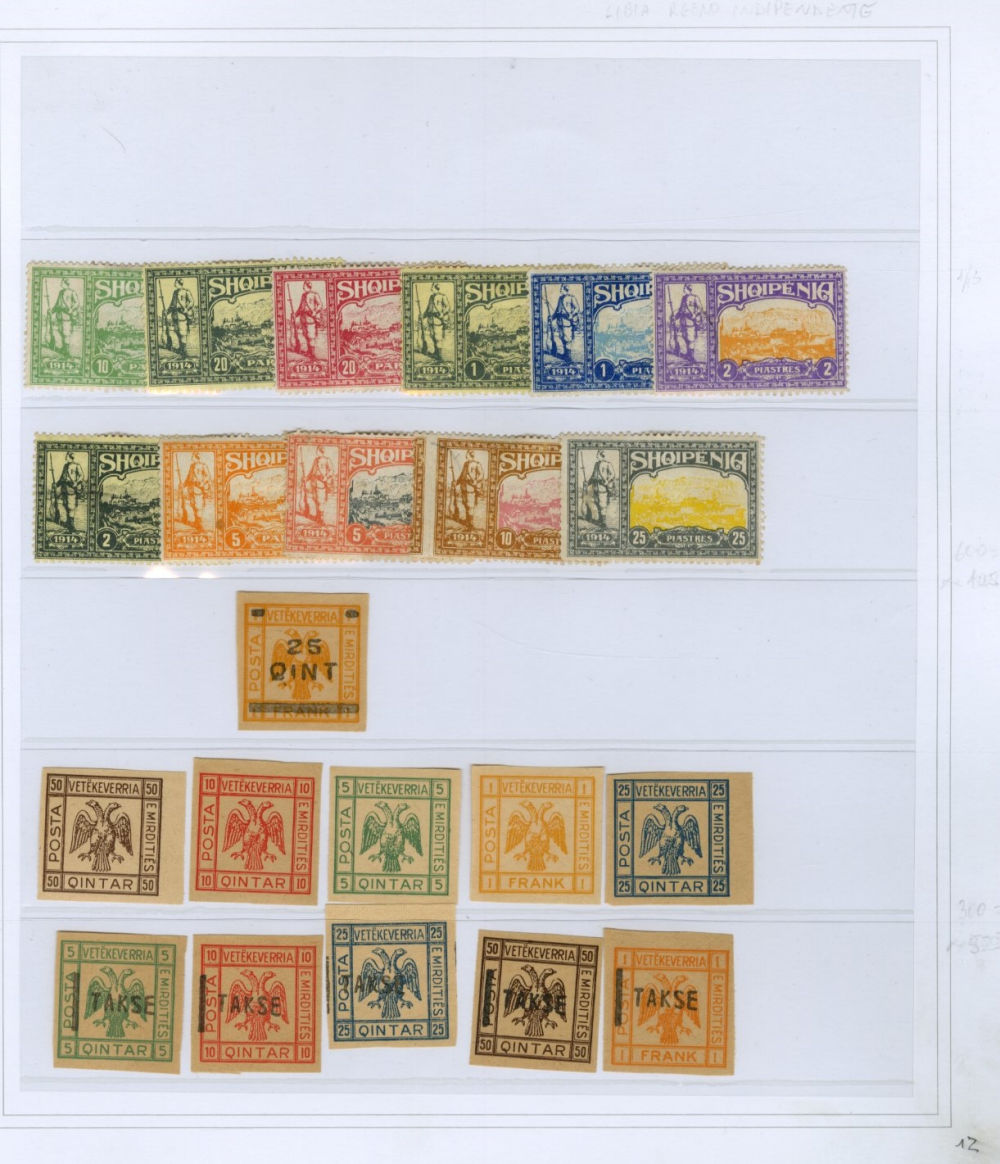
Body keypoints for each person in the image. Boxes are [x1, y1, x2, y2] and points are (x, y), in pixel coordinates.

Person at [52, 450, 85, 532]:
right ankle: (68, 522)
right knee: (65, 505)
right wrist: (57, 484)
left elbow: (81, 476)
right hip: (64, 488)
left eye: (67, 456)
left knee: (71, 506)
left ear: (71, 457)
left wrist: (76, 482)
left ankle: (72, 526)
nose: (65, 458)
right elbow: (62, 477)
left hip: (71, 488)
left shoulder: (77, 465)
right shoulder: (65, 466)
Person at [180, 451, 211, 532]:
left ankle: (200, 524)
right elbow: (188, 476)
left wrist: (202, 483)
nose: (192, 459)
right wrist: (184, 484)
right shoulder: (192, 466)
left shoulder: (203, 465)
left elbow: (208, 476)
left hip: (198, 488)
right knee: (193, 505)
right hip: (191, 488)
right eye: (192, 458)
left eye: (193, 458)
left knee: (198, 506)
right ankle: (196, 521)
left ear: (197, 458)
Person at [163, 278, 195, 358]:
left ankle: (184, 351)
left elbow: (192, 302)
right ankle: (181, 348)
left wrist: (186, 308)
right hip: (175, 316)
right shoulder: (175, 292)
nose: (174, 284)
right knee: (177, 332)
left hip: (182, 315)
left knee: (183, 333)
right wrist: (167, 311)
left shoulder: (186, 291)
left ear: (179, 283)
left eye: (176, 283)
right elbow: (172, 304)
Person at [302, 445, 335, 521]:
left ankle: (321, 518)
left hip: (321, 483)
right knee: (315, 500)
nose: (317, 453)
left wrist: (326, 477)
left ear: (321, 452)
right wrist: (306, 478)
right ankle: (318, 516)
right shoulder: (315, 460)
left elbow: (331, 471)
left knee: (321, 500)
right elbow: (312, 471)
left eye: (318, 451)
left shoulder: (327, 460)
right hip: (314, 483)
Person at [584, 449, 616, 528]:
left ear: (602, 456)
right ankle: (599, 519)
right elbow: (593, 475)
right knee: (596, 503)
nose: (596, 456)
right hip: (595, 486)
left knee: (603, 504)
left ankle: (603, 522)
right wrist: (588, 482)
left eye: (598, 455)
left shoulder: (608, 464)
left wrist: (607, 481)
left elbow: (612, 474)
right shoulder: (596, 464)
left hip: (602, 486)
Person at [672, 283, 704, 361]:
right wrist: (675, 317)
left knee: (691, 338)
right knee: (685, 337)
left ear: (688, 289)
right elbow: (681, 309)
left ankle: (691, 357)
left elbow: (700, 308)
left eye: (685, 289)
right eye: (684, 289)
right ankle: (688, 354)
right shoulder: (683, 298)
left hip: (690, 321)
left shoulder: (695, 297)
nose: (683, 290)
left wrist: (695, 315)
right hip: (683, 321)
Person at [48, 278, 80, 355]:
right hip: (59, 315)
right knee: (61, 331)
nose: (61, 284)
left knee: (66, 333)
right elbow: (57, 304)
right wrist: (52, 311)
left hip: (67, 316)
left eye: (62, 283)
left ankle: (67, 351)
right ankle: (64, 348)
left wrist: (71, 309)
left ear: (66, 284)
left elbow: (77, 303)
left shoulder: (72, 292)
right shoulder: (61, 292)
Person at [452, 450, 484, 528]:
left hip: (471, 488)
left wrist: (476, 480)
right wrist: (457, 482)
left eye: (467, 455)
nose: (466, 457)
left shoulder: (477, 464)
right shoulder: (465, 464)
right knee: (465, 504)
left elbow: (481, 475)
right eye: (466, 456)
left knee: (470, 505)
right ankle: (467, 521)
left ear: (471, 455)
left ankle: (471, 524)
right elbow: (462, 475)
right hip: (463, 488)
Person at [293, 280, 324, 360]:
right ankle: (309, 352)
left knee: (311, 336)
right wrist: (295, 314)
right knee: (306, 336)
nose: (303, 288)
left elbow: (320, 305)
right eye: (303, 287)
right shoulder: (303, 295)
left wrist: (315, 312)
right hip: (303, 318)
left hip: (310, 318)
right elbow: (301, 307)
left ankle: (312, 354)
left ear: (308, 287)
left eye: (305, 287)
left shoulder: (315, 294)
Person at [549, 283, 580, 360]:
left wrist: (572, 314)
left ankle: (568, 357)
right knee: (562, 337)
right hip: (560, 322)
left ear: (566, 290)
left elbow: (577, 308)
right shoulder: (560, 298)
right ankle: (565, 354)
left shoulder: (571, 298)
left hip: (567, 321)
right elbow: (557, 310)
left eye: (561, 290)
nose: (560, 291)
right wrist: (552, 317)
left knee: (567, 339)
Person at [421, 283, 451, 361]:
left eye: (432, 288)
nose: (431, 289)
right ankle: (436, 352)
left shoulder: (442, 296)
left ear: (436, 288)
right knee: (432, 336)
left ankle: (440, 355)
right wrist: (423, 315)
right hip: (430, 319)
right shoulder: (431, 297)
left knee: (438, 337)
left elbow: (448, 307)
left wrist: (442, 313)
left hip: (437, 319)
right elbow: (428, 307)